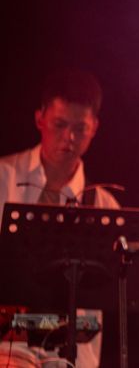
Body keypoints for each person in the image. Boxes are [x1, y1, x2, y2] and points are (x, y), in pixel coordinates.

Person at [0, 68, 120, 368]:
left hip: (72, 355)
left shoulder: (105, 207)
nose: (69, 137)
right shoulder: (3, 178)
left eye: (80, 128)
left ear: (95, 128)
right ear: (39, 119)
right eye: (60, 124)